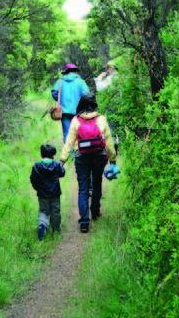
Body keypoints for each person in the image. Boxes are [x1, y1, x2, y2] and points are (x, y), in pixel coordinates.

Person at [59, 93, 116, 233]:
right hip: (99, 156)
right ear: (94, 104)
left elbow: (69, 142)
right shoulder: (101, 119)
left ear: (81, 105)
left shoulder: (76, 120)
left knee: (83, 189)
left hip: (81, 158)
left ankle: (84, 221)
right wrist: (113, 159)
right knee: (97, 184)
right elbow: (108, 141)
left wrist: (62, 160)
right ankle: (95, 212)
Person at [30, 144, 66, 240]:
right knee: (56, 211)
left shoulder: (37, 166)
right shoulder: (56, 164)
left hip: (42, 193)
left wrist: (37, 188)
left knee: (43, 210)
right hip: (55, 193)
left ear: (41, 154)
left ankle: (42, 224)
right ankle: (56, 227)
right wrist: (61, 166)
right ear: (53, 155)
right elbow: (62, 173)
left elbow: (33, 179)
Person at [51, 63, 90, 143]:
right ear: (75, 71)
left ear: (66, 72)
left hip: (64, 112)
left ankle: (69, 153)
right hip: (79, 112)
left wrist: (60, 99)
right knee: (79, 133)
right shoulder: (81, 82)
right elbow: (87, 95)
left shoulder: (60, 81)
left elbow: (54, 93)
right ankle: (78, 152)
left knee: (67, 133)